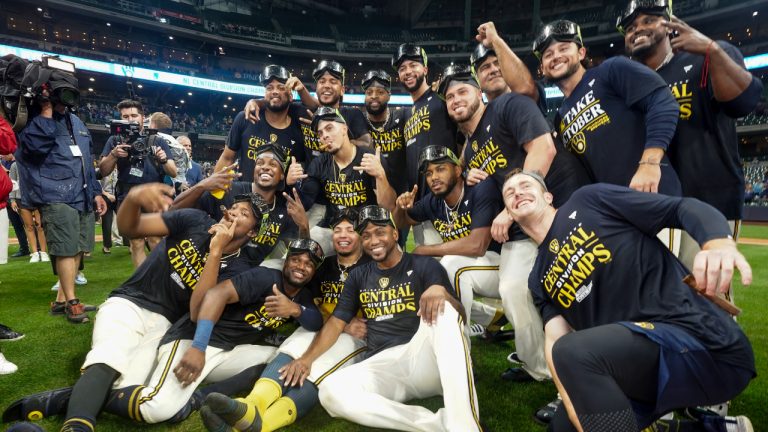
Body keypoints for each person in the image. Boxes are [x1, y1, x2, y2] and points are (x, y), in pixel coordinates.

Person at [502, 170, 755, 432]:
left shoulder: (587, 200)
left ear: (548, 195)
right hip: (640, 365)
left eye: (525, 185)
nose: (517, 192)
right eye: (509, 192)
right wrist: (570, 404)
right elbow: (554, 339)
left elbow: (680, 208)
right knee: (562, 428)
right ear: (509, 213)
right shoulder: (538, 279)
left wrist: (717, 243)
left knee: (573, 351)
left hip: (702, 342)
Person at [1, 184, 266, 431]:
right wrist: (136, 197)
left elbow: (198, 311)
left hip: (166, 326)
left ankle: (62, 399)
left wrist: (216, 252)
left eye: (244, 214)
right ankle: (76, 426)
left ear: (252, 232)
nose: (233, 213)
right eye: (233, 208)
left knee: (130, 387)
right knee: (110, 356)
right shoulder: (195, 221)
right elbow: (131, 228)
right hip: (131, 301)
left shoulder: (239, 269)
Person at [439, 65, 589, 384]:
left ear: (480, 92)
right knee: (512, 287)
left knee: (582, 288)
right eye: (449, 97)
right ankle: (542, 369)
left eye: (462, 91)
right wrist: (467, 175)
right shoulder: (472, 147)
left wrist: (509, 209)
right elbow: (473, 173)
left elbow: (544, 148)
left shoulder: (509, 105)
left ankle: (594, 362)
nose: (455, 100)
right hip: (522, 230)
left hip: (561, 213)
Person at [279, 205, 482, 431]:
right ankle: (435, 425)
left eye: (380, 232)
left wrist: (443, 293)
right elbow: (337, 322)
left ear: (395, 234)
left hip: (426, 356)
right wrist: (305, 360)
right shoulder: (358, 276)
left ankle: (465, 426)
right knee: (331, 391)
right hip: (386, 365)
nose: (373, 240)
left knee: (444, 309)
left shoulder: (424, 265)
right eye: (366, 235)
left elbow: (459, 316)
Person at [100, 238, 324, 425]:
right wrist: (198, 347)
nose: (301, 266)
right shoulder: (265, 278)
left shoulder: (301, 297)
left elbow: (316, 322)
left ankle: (198, 399)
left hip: (228, 351)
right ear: (286, 261)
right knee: (157, 409)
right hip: (196, 340)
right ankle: (86, 397)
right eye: (295, 259)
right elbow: (216, 295)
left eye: (308, 264)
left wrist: (294, 309)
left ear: (314, 272)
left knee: (279, 366)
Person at [617, 0, 764, 276]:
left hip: (708, 199)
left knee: (707, 296)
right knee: (659, 296)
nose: (638, 30)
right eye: (631, 27)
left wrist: (713, 50)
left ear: (669, 21)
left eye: (649, 20)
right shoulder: (629, 85)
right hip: (653, 204)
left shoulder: (703, 56)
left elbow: (743, 103)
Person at [200, 210, 369, 432]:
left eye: (350, 230)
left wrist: (350, 327)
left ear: (360, 236)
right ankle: (251, 405)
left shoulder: (372, 266)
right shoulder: (324, 266)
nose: (343, 235)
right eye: (337, 230)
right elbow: (311, 302)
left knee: (318, 370)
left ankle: (261, 426)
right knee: (289, 351)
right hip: (325, 324)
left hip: (356, 337)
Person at [15, 83, 107, 323]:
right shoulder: (33, 119)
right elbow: (32, 150)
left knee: (78, 247)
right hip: (54, 193)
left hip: (83, 192)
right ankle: (72, 302)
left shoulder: (76, 121)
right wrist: (45, 112)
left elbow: (88, 160)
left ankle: (60, 300)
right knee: (65, 248)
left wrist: (96, 191)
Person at [392, 146, 504, 337]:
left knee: (451, 264)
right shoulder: (433, 201)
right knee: (424, 273)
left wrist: (425, 250)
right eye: (428, 173)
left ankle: (461, 341)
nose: (434, 177)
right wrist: (400, 207)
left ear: (458, 170)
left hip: (501, 266)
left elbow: (477, 246)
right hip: (471, 267)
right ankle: (490, 318)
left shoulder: (479, 189)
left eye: (441, 169)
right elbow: (400, 222)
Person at [173, 143, 308, 268]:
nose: (265, 167)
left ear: (282, 175)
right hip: (202, 266)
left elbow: (302, 256)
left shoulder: (284, 210)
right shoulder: (228, 189)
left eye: (273, 165)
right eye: (260, 163)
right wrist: (201, 186)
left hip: (243, 282)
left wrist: (304, 227)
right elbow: (175, 211)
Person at [287, 107, 396, 254]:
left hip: (367, 231)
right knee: (303, 251)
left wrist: (380, 176)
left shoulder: (370, 158)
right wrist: (292, 183)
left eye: (329, 128)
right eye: (320, 133)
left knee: (393, 258)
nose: (324, 135)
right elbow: (305, 202)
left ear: (344, 128)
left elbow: (388, 206)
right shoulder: (319, 163)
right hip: (335, 231)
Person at [392, 43, 461, 246]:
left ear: (425, 69)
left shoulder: (441, 98)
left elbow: (465, 133)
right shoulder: (406, 114)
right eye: (402, 69)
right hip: (421, 206)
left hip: (447, 200)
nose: (407, 72)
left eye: (413, 65)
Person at [98, 99, 177, 268]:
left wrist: (163, 159)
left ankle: (159, 279)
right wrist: (113, 155)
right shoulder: (115, 139)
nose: (130, 119)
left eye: (134, 115)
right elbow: (103, 171)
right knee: (136, 242)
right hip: (128, 195)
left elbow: (173, 171)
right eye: (125, 116)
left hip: (153, 193)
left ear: (143, 117)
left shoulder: (156, 139)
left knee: (156, 239)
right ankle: (142, 283)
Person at [215, 65, 305, 183]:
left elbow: (296, 169)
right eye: (269, 88)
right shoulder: (245, 118)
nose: (275, 92)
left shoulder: (297, 132)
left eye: (281, 87)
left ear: (291, 97)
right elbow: (227, 158)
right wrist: (214, 193)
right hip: (243, 198)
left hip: (276, 200)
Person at [98, 169, 118, 254]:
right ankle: (106, 246)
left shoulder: (120, 169)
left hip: (118, 196)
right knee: (107, 222)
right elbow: (97, 185)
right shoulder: (102, 171)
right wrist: (107, 195)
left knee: (125, 220)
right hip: (106, 197)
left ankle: (130, 244)